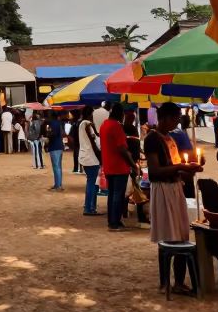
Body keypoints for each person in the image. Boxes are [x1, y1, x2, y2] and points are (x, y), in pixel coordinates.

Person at [146, 102, 202, 292]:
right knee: (170, 237)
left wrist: (190, 169)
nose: (177, 122)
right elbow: (154, 171)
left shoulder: (169, 137)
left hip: (175, 187)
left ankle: (178, 281)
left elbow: (176, 166)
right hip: (163, 190)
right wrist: (180, 168)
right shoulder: (152, 139)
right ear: (165, 118)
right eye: (176, 118)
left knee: (180, 234)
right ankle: (168, 282)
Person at [100, 103, 137, 232]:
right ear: (120, 115)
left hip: (108, 165)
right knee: (118, 195)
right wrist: (132, 164)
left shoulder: (104, 125)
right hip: (118, 166)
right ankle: (115, 222)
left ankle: (112, 221)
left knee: (112, 194)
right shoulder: (116, 126)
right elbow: (122, 148)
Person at [78, 105, 101, 215]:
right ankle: (89, 208)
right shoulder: (87, 124)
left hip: (85, 157)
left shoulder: (82, 124)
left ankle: (89, 206)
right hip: (91, 157)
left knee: (90, 182)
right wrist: (99, 156)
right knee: (92, 183)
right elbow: (93, 142)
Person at [45, 110, 65, 190]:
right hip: (59, 145)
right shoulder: (59, 123)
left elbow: (52, 134)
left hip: (54, 146)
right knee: (59, 166)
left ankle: (57, 185)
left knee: (56, 166)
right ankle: (59, 184)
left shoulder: (54, 124)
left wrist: (48, 134)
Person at [69, 109, 82, 174]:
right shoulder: (78, 122)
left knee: (77, 153)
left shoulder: (75, 123)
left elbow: (71, 133)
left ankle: (77, 168)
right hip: (79, 140)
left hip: (77, 140)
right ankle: (78, 168)